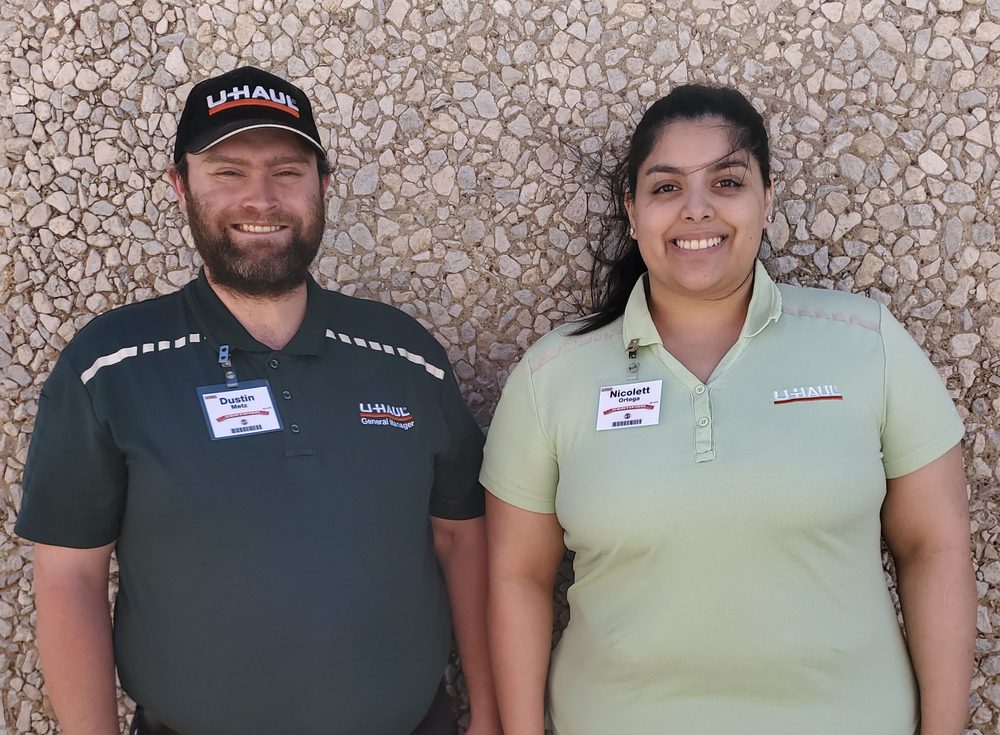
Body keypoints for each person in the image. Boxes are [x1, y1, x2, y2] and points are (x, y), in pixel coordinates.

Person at [16, 66, 499, 735]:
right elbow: (69, 574)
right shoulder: (109, 366)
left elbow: (461, 537)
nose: (261, 198)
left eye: (287, 171)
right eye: (228, 171)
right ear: (180, 184)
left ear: (323, 185)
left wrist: (489, 711)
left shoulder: (405, 354)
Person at [482, 84, 976, 735]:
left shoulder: (867, 343)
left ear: (767, 199)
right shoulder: (552, 376)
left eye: (727, 182)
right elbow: (518, 576)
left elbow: (933, 546)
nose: (697, 208)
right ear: (632, 210)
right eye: (666, 187)